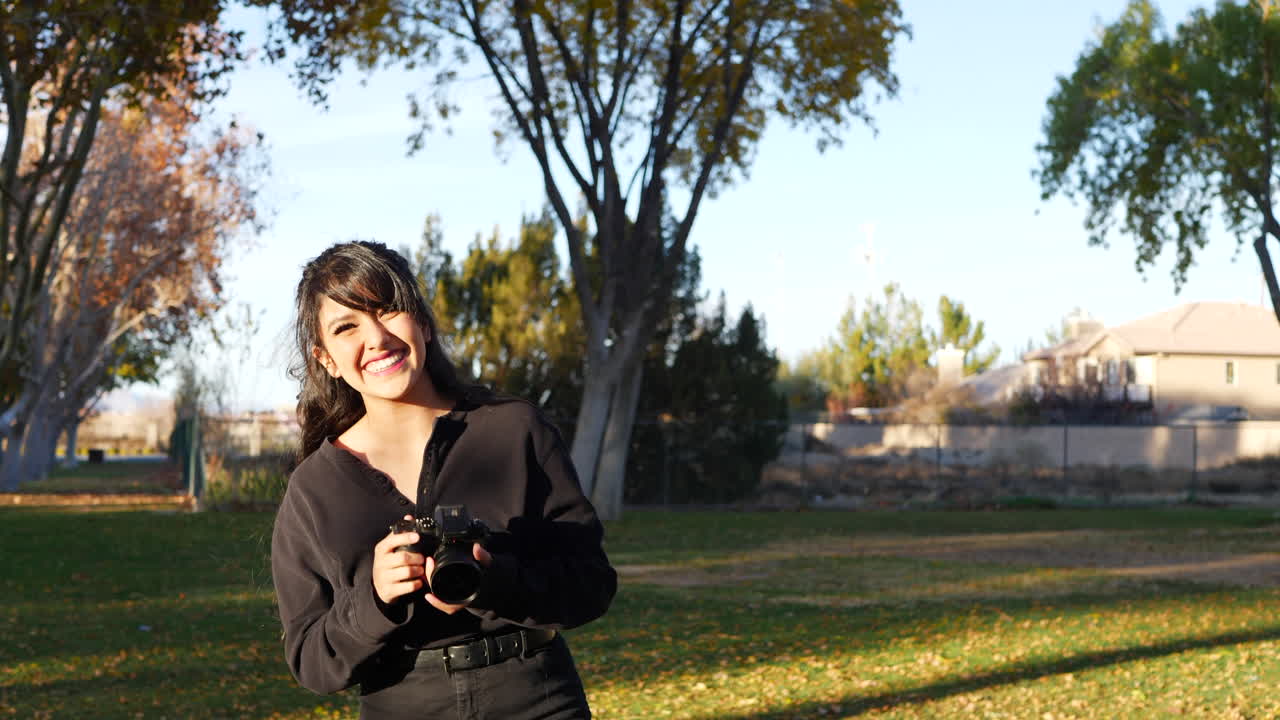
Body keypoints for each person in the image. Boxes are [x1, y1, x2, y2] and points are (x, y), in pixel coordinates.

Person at [270, 240, 617, 720]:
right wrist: (375, 600)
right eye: (347, 327)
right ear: (325, 359)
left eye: (388, 310)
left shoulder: (514, 430)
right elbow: (312, 662)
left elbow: (592, 585)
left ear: (423, 323)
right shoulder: (313, 489)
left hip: (535, 696)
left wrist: (495, 582)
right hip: (403, 703)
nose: (375, 337)